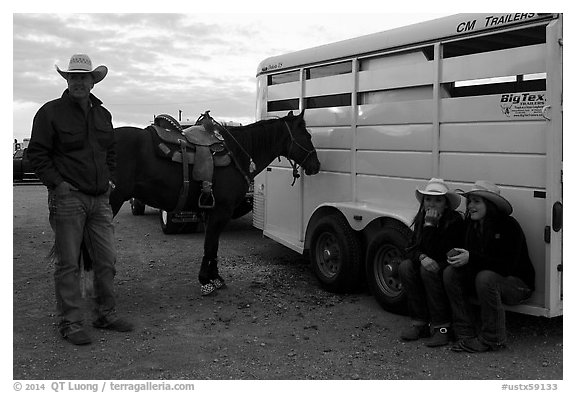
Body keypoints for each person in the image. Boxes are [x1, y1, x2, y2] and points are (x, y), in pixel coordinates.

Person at [27, 54, 133, 346]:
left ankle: (105, 314)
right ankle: (70, 322)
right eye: (73, 77)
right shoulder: (49, 113)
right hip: (68, 198)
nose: (78, 82)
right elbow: (37, 154)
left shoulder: (103, 115)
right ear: (66, 80)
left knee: (106, 259)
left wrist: (110, 180)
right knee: (68, 263)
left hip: (100, 200)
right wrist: (58, 184)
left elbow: (110, 151)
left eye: (83, 77)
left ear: (92, 81)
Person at [444, 181, 535, 353]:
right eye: (470, 201)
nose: (470, 206)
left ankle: (492, 339)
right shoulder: (471, 224)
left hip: (517, 285)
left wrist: (471, 258)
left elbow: (505, 267)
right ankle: (465, 334)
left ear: (490, 204)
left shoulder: (508, 226)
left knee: (485, 278)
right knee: (451, 273)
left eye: (477, 201)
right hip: (486, 280)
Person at [398, 178, 464, 347]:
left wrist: (431, 226)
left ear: (446, 204)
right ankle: (419, 323)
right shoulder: (421, 219)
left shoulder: (455, 221)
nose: (432, 204)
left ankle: (442, 327)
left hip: (449, 264)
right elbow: (411, 248)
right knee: (405, 267)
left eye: (437, 200)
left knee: (428, 271)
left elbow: (442, 250)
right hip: (428, 261)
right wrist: (422, 257)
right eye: (428, 199)